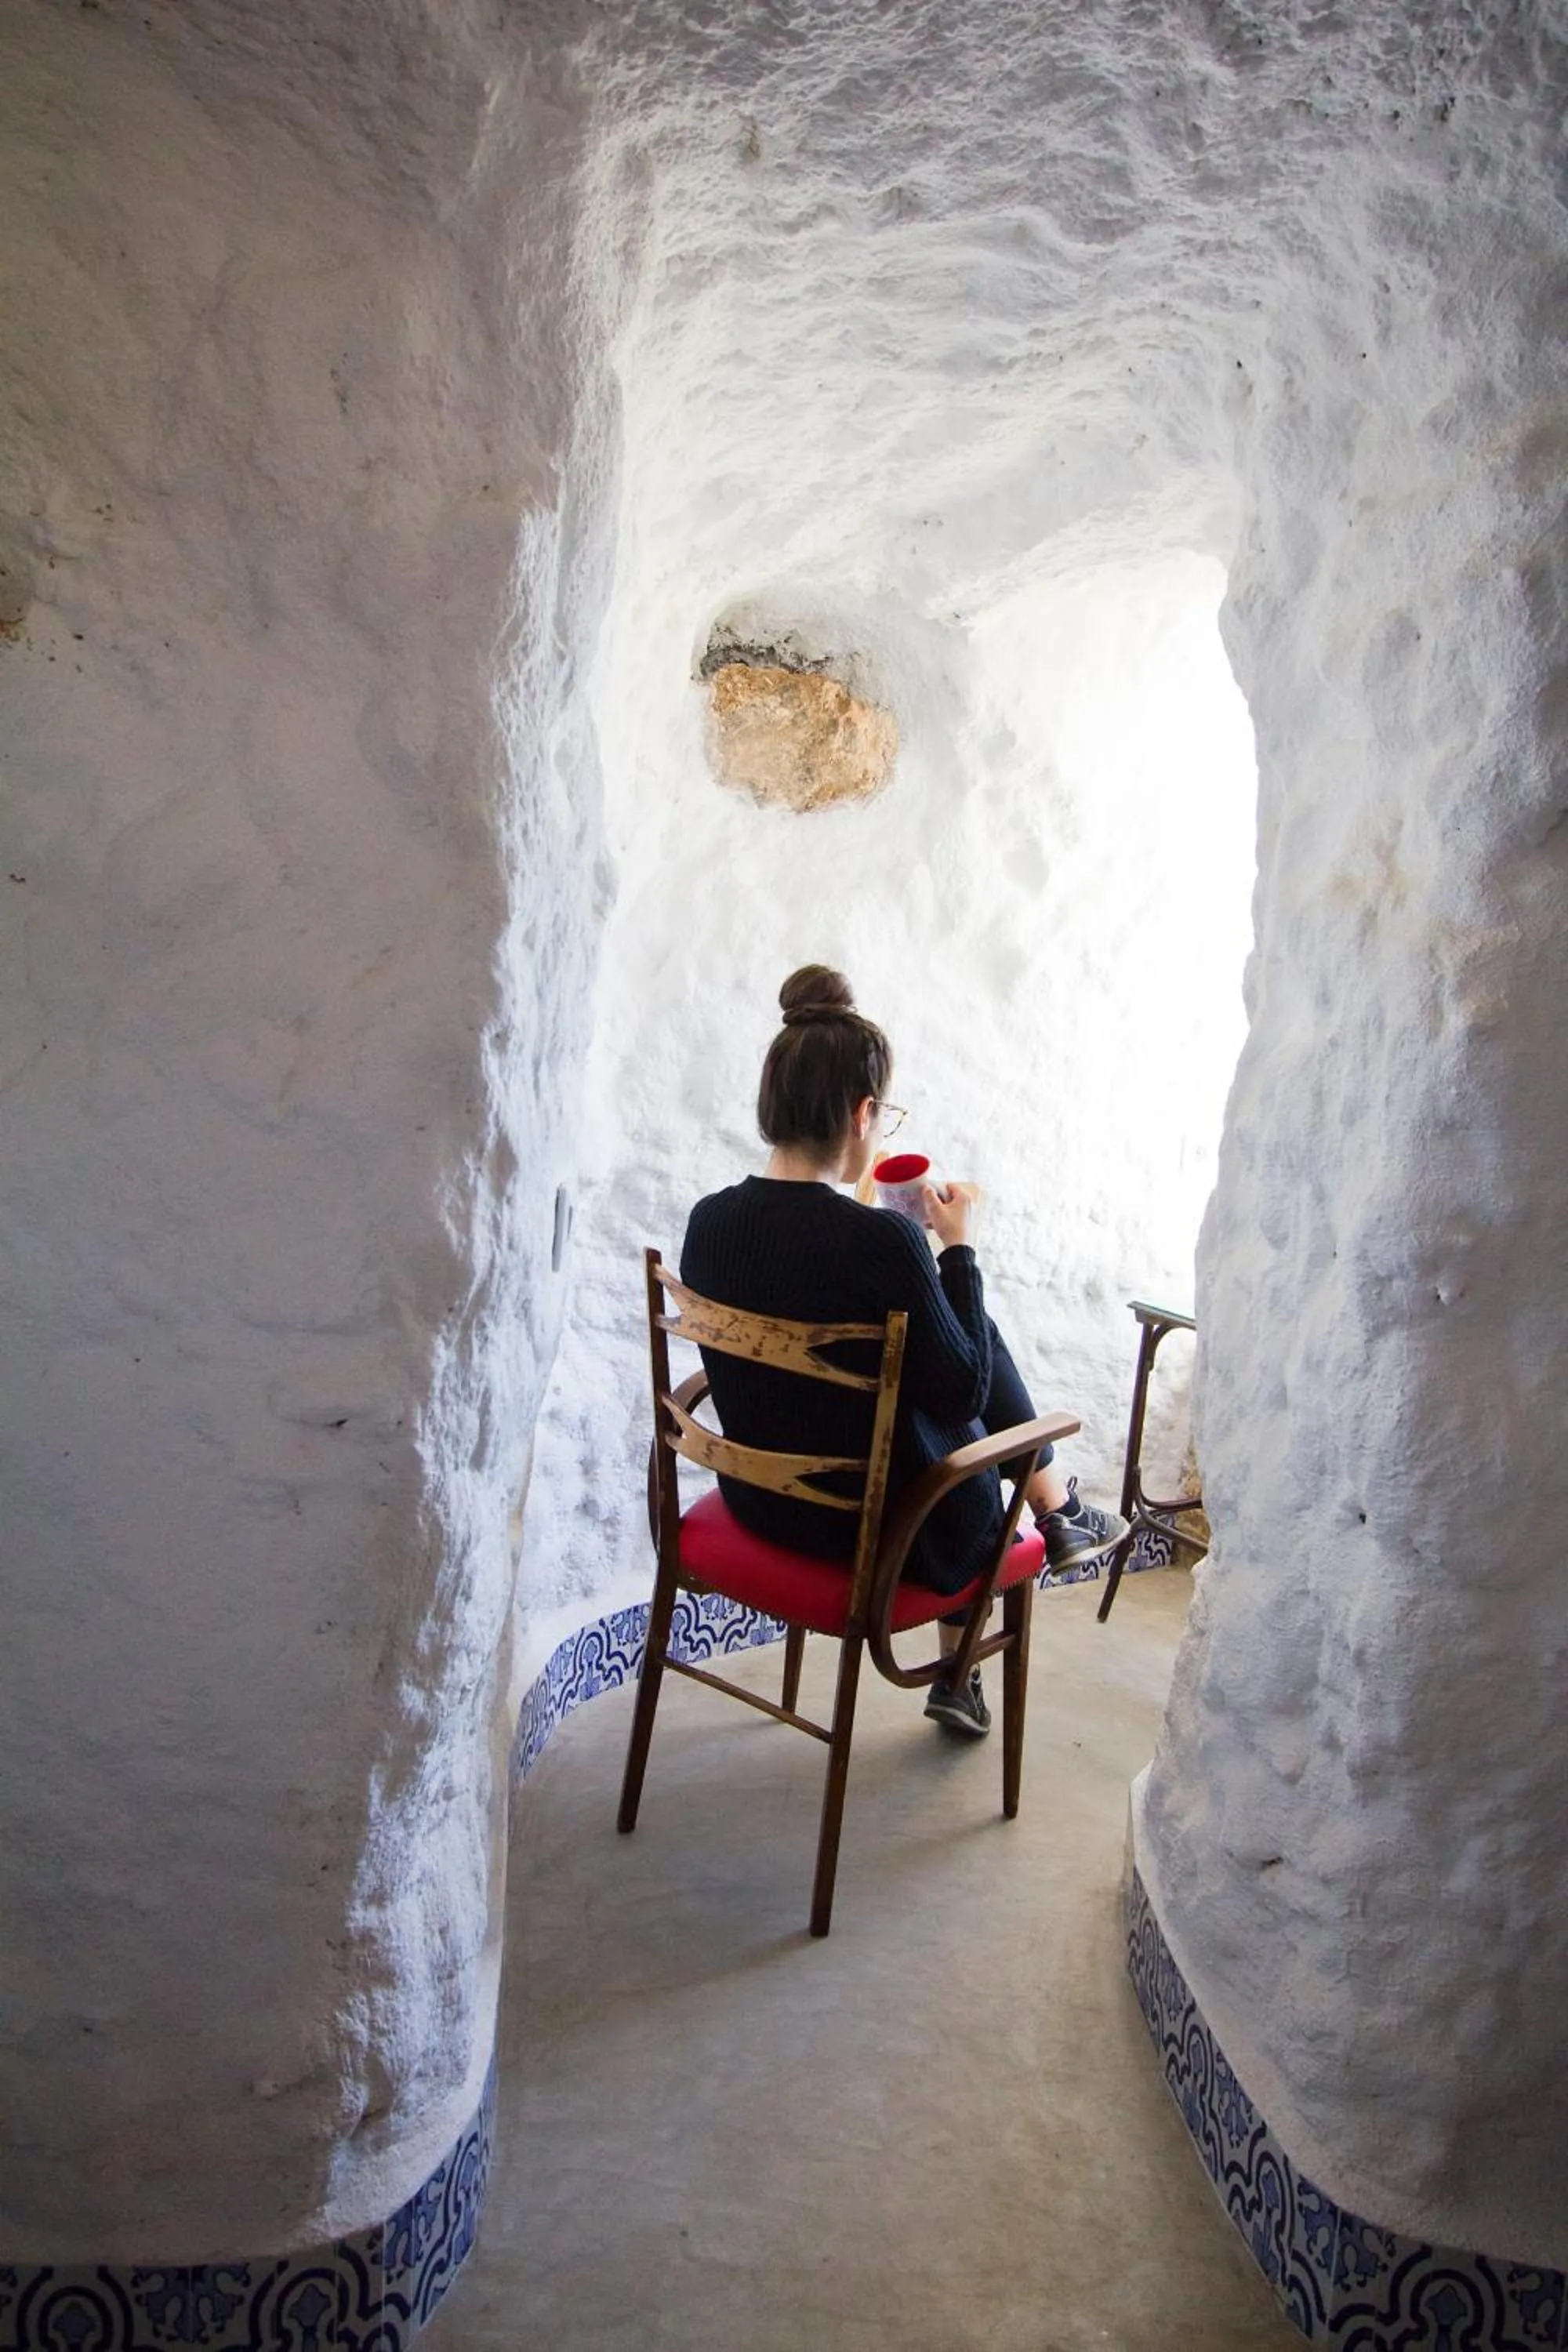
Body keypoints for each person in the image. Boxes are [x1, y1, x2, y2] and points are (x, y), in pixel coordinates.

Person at [680, 964, 1129, 1739]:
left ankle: (1059, 1515)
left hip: (764, 1502)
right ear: (861, 1115)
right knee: (965, 1400)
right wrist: (955, 1251)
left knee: (951, 1351)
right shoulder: (883, 1239)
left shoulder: (707, 1222)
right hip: (879, 1530)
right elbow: (960, 1395)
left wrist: (904, 1258)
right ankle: (1026, 1559)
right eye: (883, 1114)